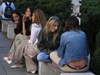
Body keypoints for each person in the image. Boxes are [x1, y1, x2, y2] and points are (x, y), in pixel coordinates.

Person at [10, 9, 46, 74]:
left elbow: (32, 41)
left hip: (36, 48)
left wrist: (28, 43)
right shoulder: (42, 25)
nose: (32, 17)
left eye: (33, 16)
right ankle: (33, 69)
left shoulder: (35, 25)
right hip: (41, 46)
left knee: (24, 46)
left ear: (36, 17)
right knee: (23, 46)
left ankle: (13, 57)